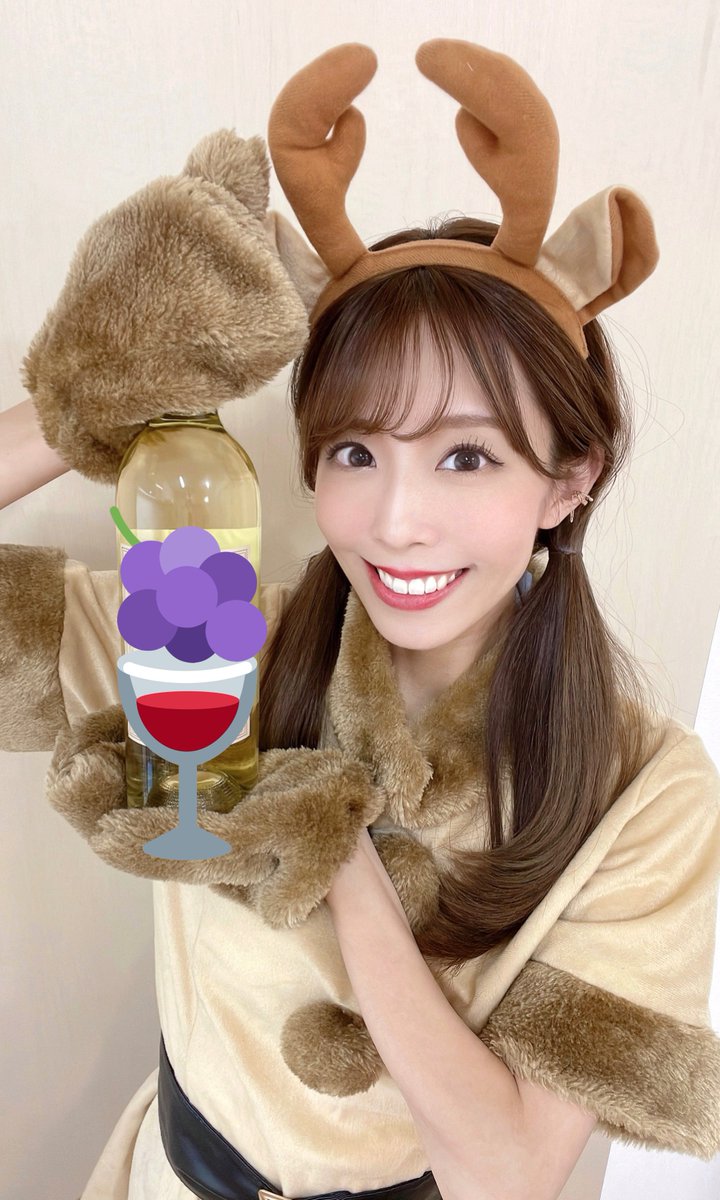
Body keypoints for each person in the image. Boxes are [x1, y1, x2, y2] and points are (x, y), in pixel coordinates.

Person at [2, 37, 720, 1200]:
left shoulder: (643, 790)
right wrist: (91, 395)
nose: (396, 521)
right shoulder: (210, 635)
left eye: (467, 456)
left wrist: (332, 856)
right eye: (354, 451)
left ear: (569, 479)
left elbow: (505, 1175)